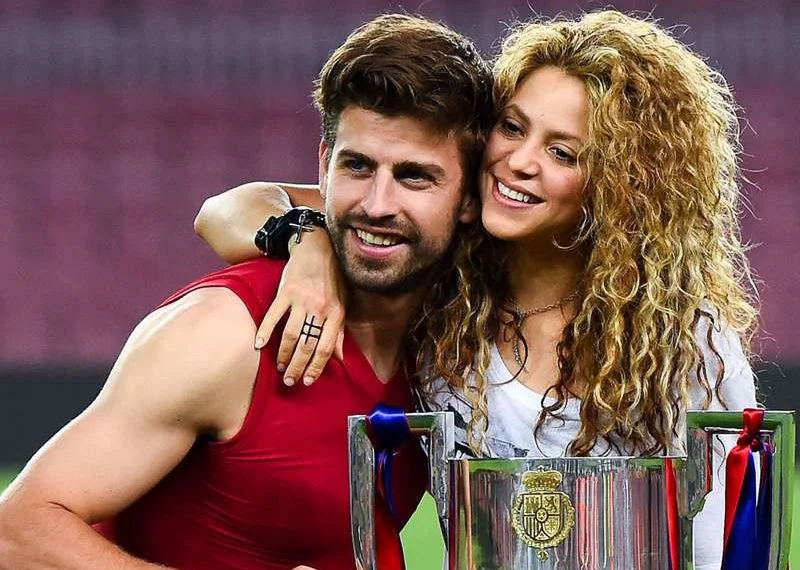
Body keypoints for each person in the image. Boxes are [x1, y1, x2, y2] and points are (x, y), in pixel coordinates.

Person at [194, 10, 759, 570]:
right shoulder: (443, 274)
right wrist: (308, 244)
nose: (519, 162)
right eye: (512, 128)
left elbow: (717, 545)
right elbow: (226, 210)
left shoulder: (683, 339)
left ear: (621, 183)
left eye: (562, 152)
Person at [0, 14, 494, 570]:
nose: (376, 205)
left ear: (470, 198)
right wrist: (304, 236)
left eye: (414, 176)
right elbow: (16, 531)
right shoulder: (225, 332)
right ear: (324, 166)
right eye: (357, 166)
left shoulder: (453, 338)